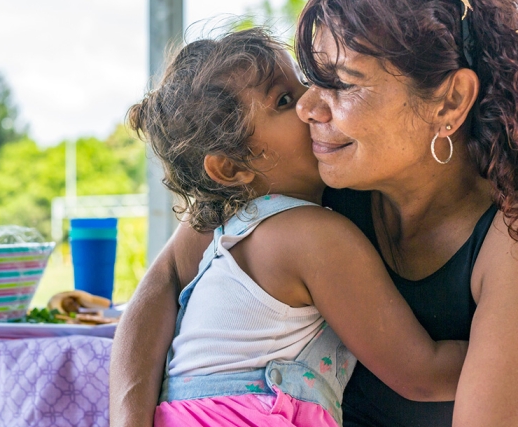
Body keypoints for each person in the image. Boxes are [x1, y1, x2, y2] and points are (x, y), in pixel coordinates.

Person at [110, 0, 518, 427]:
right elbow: (168, 277)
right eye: (311, 78)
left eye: (342, 83)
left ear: (449, 102)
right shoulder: (308, 179)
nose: (307, 107)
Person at [124, 27, 470, 427]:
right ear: (231, 167)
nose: (309, 102)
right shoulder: (311, 237)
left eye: (302, 82)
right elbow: (421, 375)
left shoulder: (240, 231)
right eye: (284, 100)